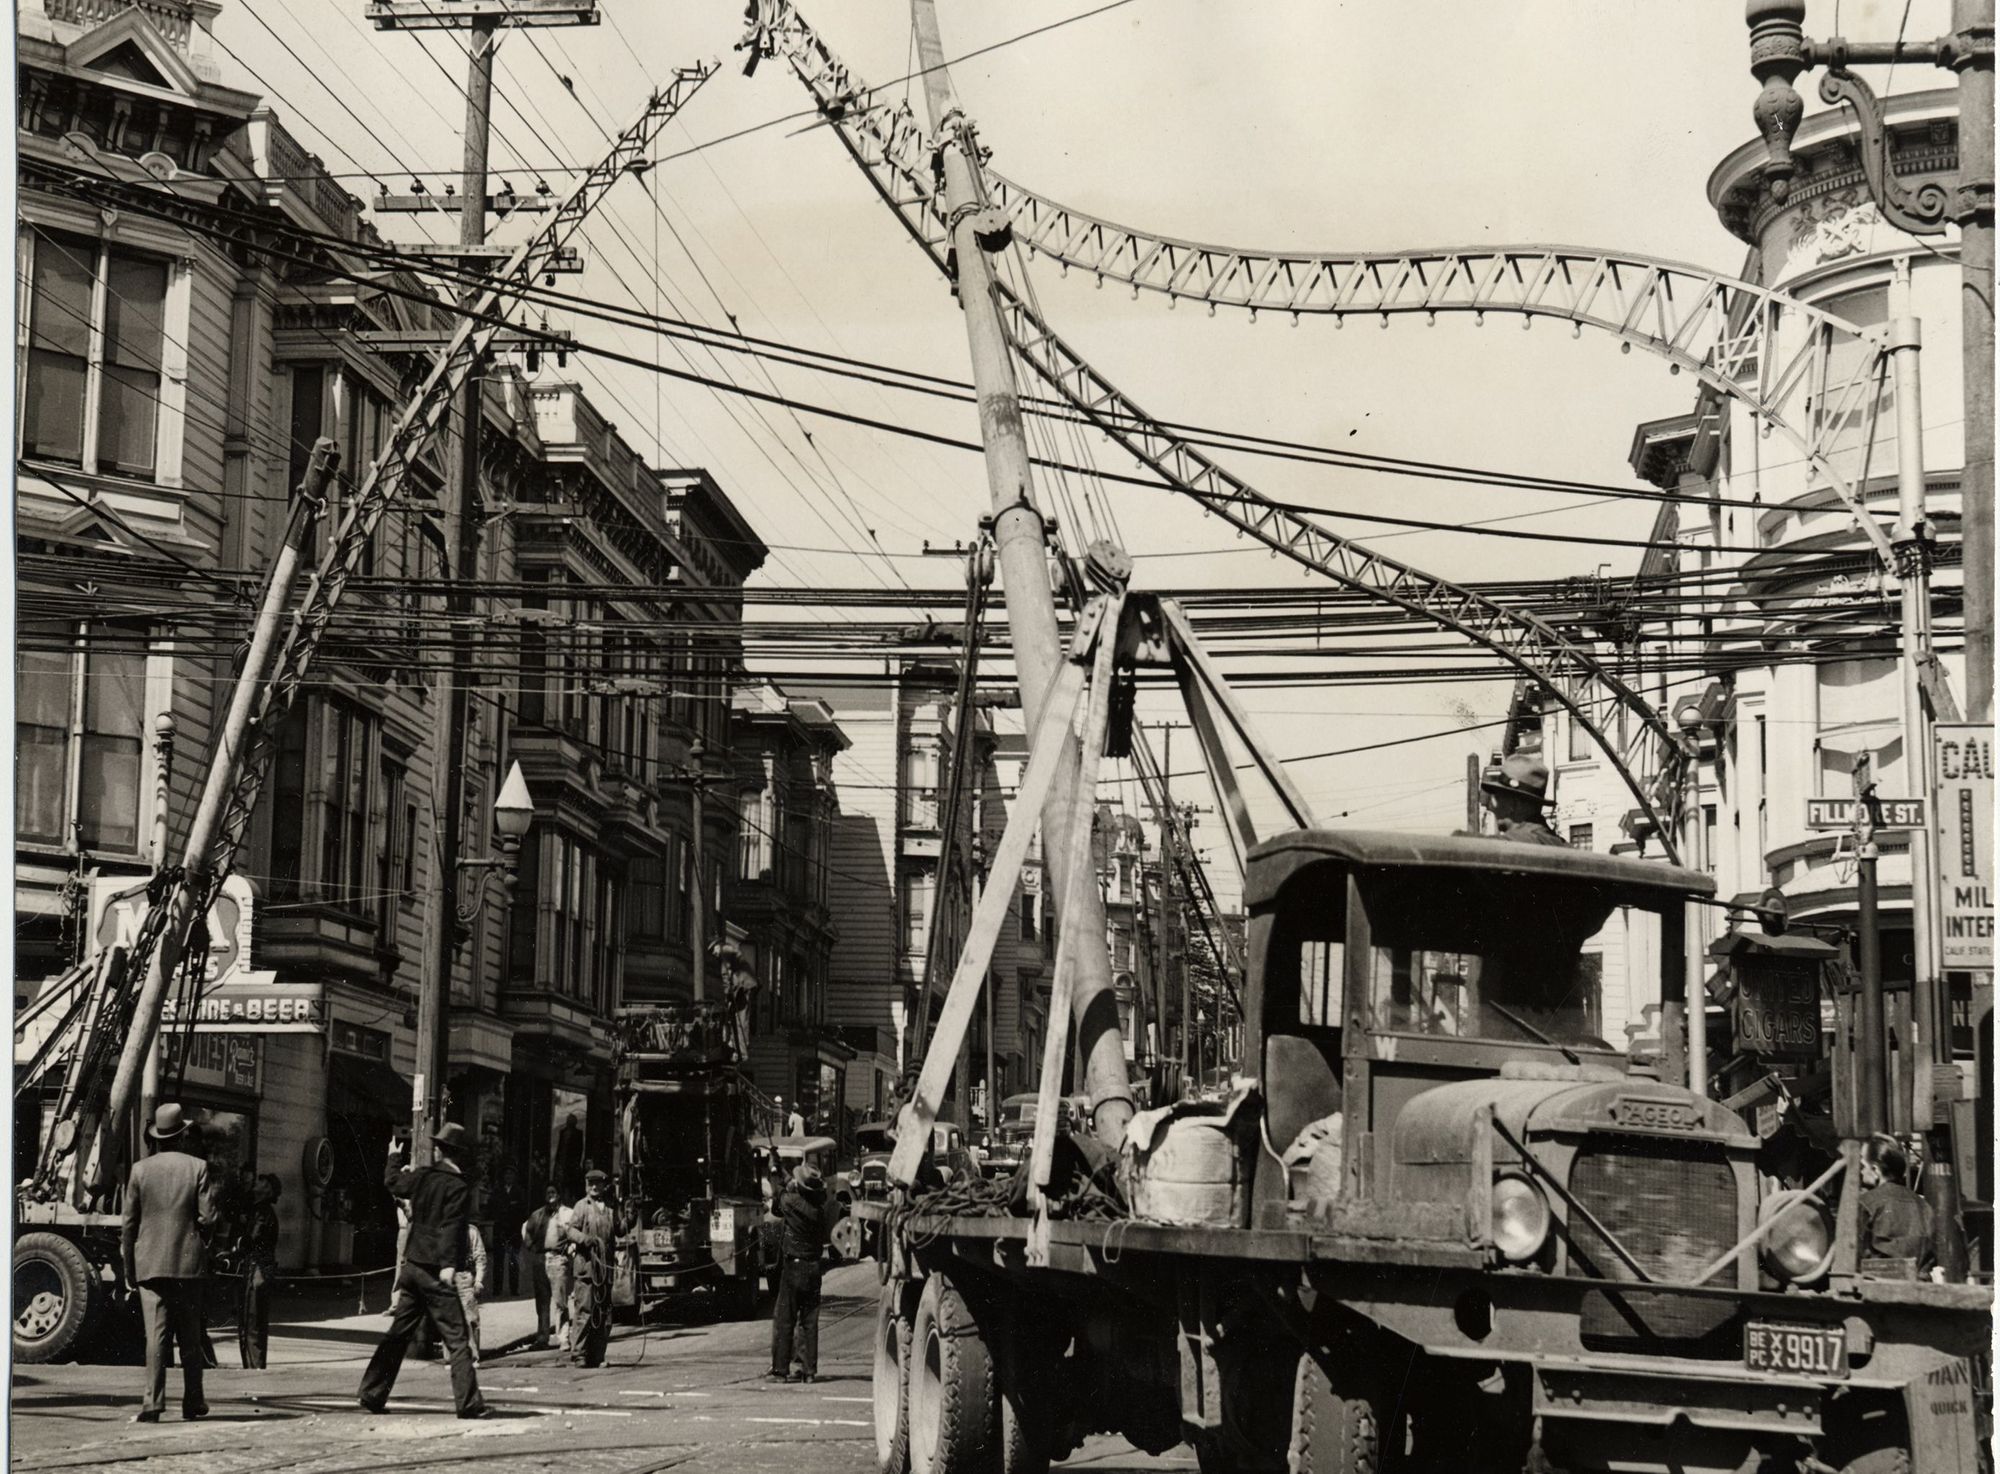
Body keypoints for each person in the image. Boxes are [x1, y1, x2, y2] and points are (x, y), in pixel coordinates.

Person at [358, 1125, 488, 1419]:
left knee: (398, 1334)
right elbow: (451, 1227)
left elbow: (393, 1182)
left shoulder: (425, 1176)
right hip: (434, 1271)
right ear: (461, 1155)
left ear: (440, 1150)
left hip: (413, 1266)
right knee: (457, 1337)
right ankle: (468, 1403)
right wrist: (448, 1266)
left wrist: (393, 1156)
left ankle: (372, 1392)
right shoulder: (457, 1187)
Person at [122, 1102, 217, 1423]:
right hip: (188, 1266)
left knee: (156, 1338)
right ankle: (193, 1402)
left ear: (158, 1137)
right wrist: (201, 1245)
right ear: (182, 1135)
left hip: (149, 1265)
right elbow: (209, 1217)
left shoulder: (140, 1170)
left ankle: (152, 1404)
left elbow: (128, 1226)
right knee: (190, 1338)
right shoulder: (198, 1167)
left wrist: (129, 1270)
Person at [767, 1157, 839, 1384]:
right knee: (809, 1320)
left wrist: (775, 1171)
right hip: (814, 1266)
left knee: (785, 1318)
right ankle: (808, 1370)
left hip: (794, 1266)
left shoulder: (792, 1203)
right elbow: (792, 1190)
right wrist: (786, 1173)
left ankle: (780, 1370)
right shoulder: (820, 1207)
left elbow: (778, 1201)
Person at [1859, 1135, 1936, 1277]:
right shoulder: (1923, 1205)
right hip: (1919, 1287)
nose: (1861, 1171)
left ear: (1876, 1170)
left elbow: (1853, 1254)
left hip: (1877, 1288)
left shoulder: (1866, 1202)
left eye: (1863, 1166)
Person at [564, 1169, 616, 1368]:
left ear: (604, 1185)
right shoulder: (581, 1206)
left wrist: (629, 1215)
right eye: (591, 1183)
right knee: (585, 1311)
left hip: (605, 1269)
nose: (594, 1187)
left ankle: (597, 1355)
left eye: (598, 1183)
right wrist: (585, 1239)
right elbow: (570, 1230)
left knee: (603, 1313)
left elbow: (619, 1229)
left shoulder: (611, 1207)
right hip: (586, 1268)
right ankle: (579, 1354)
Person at [237, 1174, 281, 1371]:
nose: (256, 1183)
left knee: (251, 1322)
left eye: (261, 1181)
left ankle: (253, 1368)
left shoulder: (261, 1211)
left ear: (268, 1189)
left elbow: (252, 1238)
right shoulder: (265, 1210)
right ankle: (256, 1365)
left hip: (256, 1269)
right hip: (264, 1269)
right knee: (257, 1322)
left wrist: (237, 1246)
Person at [1480, 753, 1567, 847]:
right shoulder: (1562, 845)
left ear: (1513, 804)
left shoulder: (1513, 845)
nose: (1492, 808)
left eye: (1497, 797)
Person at [521, 1185, 563, 1349]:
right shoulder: (537, 1215)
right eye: (548, 1193)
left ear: (558, 1195)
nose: (551, 1195)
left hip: (558, 1258)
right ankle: (542, 1336)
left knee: (560, 1300)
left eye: (553, 1192)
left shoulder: (564, 1214)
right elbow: (527, 1232)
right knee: (542, 1301)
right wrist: (532, 1248)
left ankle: (563, 1338)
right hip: (540, 1259)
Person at [456, 1222, 488, 1365]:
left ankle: (473, 1356)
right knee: (449, 1318)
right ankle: (452, 1357)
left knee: (470, 1318)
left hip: (465, 1276)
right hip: (447, 1278)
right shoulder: (442, 1227)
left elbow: (480, 1256)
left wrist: (479, 1280)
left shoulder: (471, 1231)